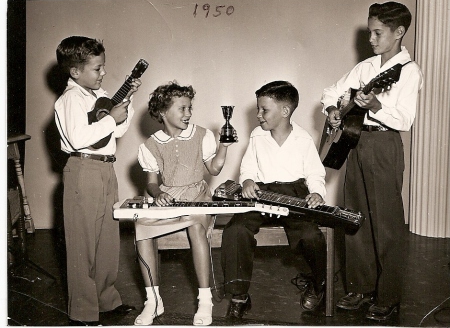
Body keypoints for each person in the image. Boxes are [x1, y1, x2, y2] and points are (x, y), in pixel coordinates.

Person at [321, 2, 423, 321]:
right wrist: (333, 110)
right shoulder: (365, 68)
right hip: (356, 140)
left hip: (385, 144)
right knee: (355, 215)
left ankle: (388, 294)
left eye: (378, 33)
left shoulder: (409, 72)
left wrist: (377, 104)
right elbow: (331, 92)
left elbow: (405, 120)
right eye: (369, 32)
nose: (371, 39)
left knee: (386, 222)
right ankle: (360, 287)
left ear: (399, 32)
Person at [221, 80, 328, 318]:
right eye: (258, 109)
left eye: (264, 110)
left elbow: (315, 173)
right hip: (262, 193)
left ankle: (318, 283)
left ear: (285, 111)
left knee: (310, 235)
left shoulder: (303, 139)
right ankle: (239, 295)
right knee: (236, 230)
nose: (258, 114)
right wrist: (248, 180)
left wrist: (317, 192)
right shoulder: (257, 135)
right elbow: (248, 168)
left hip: (294, 193)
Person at [54, 36, 142, 325]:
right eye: (97, 68)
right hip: (83, 169)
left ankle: (106, 301)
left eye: (103, 67)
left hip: (106, 169)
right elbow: (79, 138)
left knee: (107, 240)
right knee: (83, 243)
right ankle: (83, 311)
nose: (103, 73)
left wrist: (127, 103)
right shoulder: (70, 99)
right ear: (75, 72)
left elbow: (114, 132)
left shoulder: (97, 96)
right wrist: (110, 119)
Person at [134, 81, 236, 326]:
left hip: (198, 196)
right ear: (162, 112)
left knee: (195, 227)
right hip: (169, 198)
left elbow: (213, 168)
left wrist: (223, 146)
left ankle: (204, 299)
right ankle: (153, 299)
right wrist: (158, 193)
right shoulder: (150, 144)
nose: (188, 113)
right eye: (182, 108)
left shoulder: (201, 135)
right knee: (142, 229)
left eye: (190, 108)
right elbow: (151, 182)